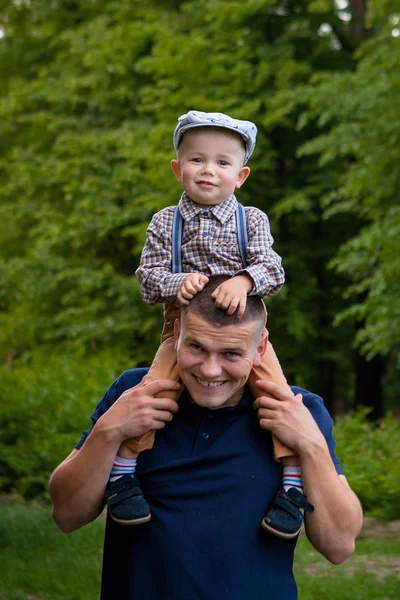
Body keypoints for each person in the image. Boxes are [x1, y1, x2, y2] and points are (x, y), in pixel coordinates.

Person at [49, 276, 363, 600]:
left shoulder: (297, 410)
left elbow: (339, 547)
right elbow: (66, 515)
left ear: (260, 349)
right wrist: (109, 430)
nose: (210, 370)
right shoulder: (135, 395)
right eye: (197, 347)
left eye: (230, 353)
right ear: (176, 336)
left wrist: (310, 444)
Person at [109, 110, 306, 537]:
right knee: (151, 390)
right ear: (178, 169)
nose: (208, 170)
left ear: (241, 176)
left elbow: (273, 267)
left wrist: (244, 278)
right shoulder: (166, 221)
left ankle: (293, 486)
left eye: (222, 162)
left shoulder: (250, 220)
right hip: (183, 331)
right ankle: (122, 474)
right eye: (197, 160)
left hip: (244, 333)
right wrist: (176, 282)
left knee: (279, 397)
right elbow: (147, 277)